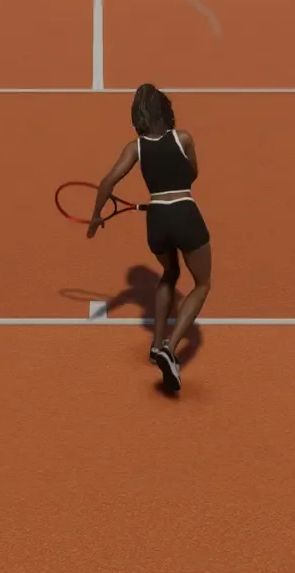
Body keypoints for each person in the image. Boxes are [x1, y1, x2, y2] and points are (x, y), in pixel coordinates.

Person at [87, 84, 212, 394]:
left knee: (169, 273)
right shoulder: (184, 139)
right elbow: (192, 175)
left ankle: (156, 345)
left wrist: (96, 216)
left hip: (156, 221)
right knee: (202, 284)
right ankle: (170, 348)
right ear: (165, 110)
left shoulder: (135, 148)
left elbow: (106, 182)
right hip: (184, 214)